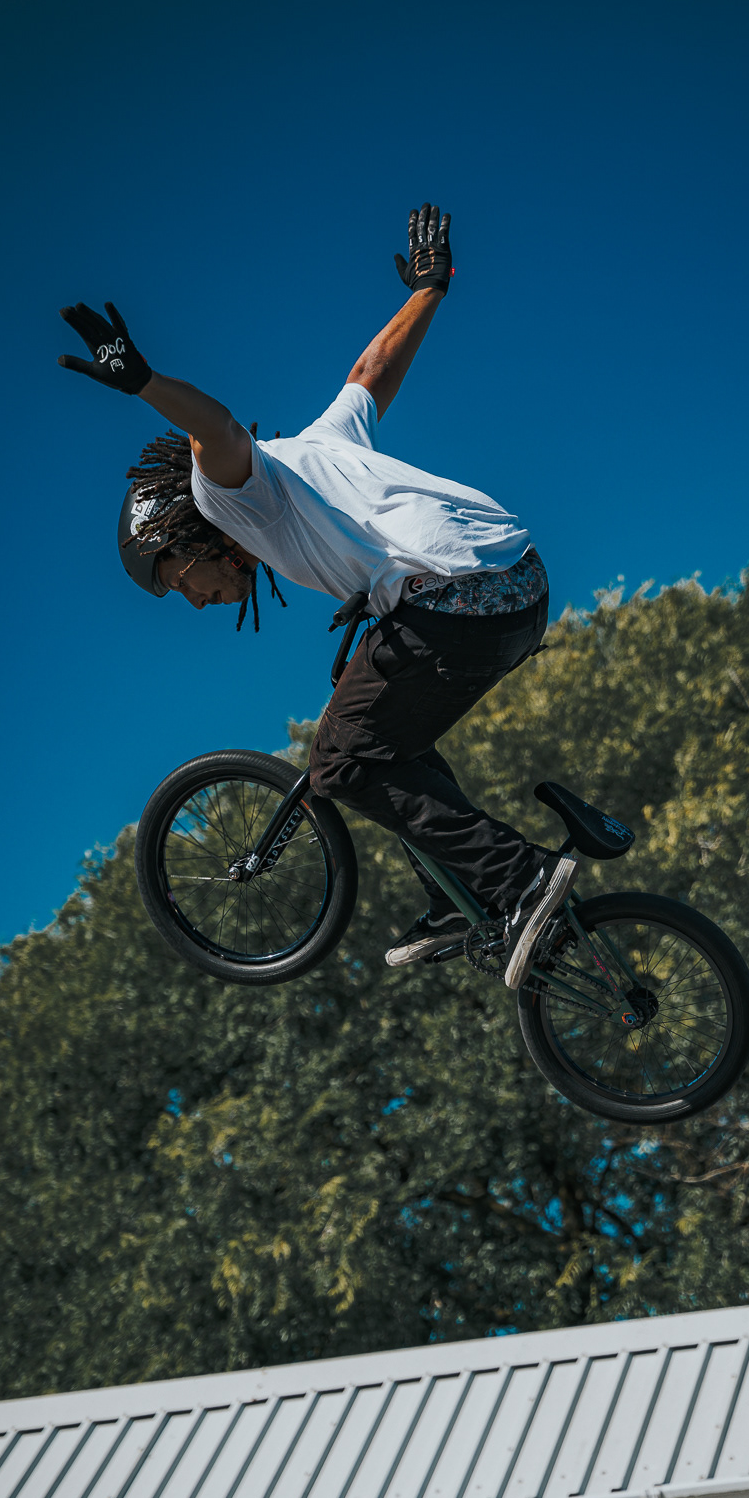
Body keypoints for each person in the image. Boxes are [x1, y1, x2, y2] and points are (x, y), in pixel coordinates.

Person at [57, 205, 576, 990]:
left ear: (187, 537)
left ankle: (521, 877)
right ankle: (465, 892)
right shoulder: (319, 445)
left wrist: (144, 383)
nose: (195, 602)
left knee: (338, 758)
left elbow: (216, 432)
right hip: (521, 584)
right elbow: (372, 374)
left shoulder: (231, 498)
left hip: (459, 595)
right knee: (383, 732)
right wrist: (430, 289)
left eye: (178, 581)